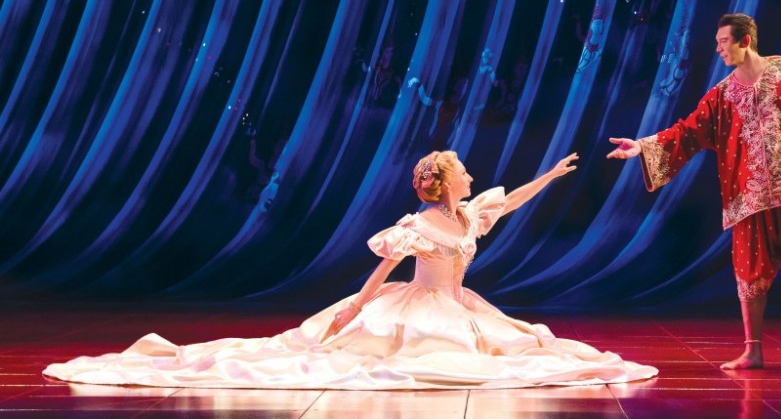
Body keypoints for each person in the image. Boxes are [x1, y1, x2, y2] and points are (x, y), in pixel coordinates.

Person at [44, 152, 657, 389]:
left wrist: (547, 179)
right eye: (463, 171)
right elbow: (386, 265)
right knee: (415, 353)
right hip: (418, 304)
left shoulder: (468, 215)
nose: (472, 176)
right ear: (444, 183)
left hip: (459, 302)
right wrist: (359, 304)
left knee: (512, 342)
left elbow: (509, 201)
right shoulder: (417, 226)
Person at [607, 13, 781, 372]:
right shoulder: (721, 96)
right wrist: (640, 146)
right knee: (749, 275)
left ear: (744, 40)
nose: (717, 49)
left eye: (722, 42)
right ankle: (753, 351)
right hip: (749, 199)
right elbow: (687, 131)